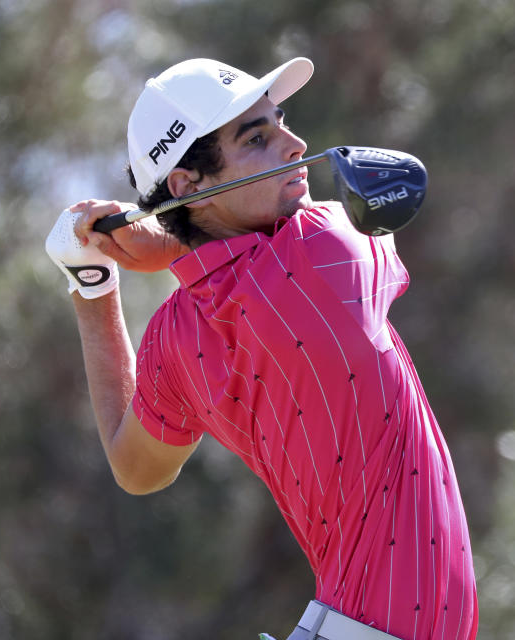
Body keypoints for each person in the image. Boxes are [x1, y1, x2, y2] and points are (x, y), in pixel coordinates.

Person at [46, 56, 478, 640]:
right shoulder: (326, 250)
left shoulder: (172, 339)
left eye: (281, 122)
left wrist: (94, 288)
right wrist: (161, 246)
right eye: (258, 138)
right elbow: (377, 221)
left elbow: (135, 468)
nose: (296, 144)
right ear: (187, 186)